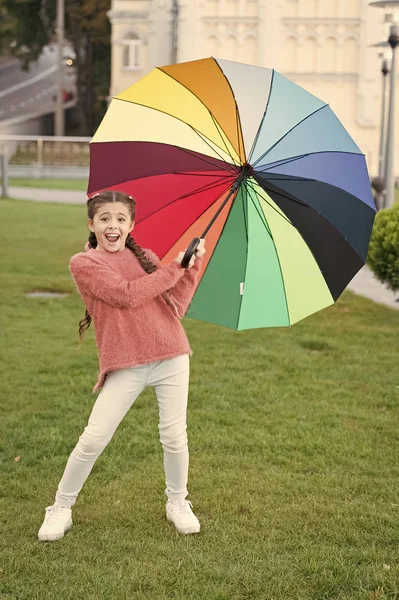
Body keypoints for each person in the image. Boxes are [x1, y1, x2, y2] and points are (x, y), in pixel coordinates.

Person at [38, 190, 206, 541]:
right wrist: (174, 268)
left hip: (170, 353)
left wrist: (190, 268)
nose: (112, 225)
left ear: (131, 225)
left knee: (174, 436)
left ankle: (177, 501)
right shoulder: (84, 264)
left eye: (120, 219)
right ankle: (60, 508)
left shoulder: (145, 257)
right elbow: (125, 296)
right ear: (92, 224)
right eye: (105, 219)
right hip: (126, 362)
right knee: (94, 438)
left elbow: (175, 306)